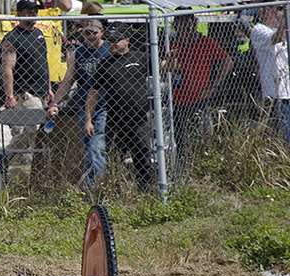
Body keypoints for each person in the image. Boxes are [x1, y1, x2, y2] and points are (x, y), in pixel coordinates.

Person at [85, 22, 155, 192]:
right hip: (116, 121)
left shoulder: (141, 58)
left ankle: (145, 191)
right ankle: (114, 192)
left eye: (116, 40)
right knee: (114, 158)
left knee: (143, 157)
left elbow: (162, 70)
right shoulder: (104, 64)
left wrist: (170, 64)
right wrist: (88, 120)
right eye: (109, 40)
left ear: (127, 41)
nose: (112, 44)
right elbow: (93, 93)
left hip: (139, 119)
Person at [48, 19, 110, 190]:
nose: (90, 36)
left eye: (94, 33)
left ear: (102, 32)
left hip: (107, 106)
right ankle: (96, 186)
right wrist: (55, 103)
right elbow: (68, 81)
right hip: (86, 108)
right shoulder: (78, 53)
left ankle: (95, 189)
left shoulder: (108, 50)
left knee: (95, 148)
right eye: (87, 33)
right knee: (90, 148)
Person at [162, 8, 233, 160]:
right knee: (181, 139)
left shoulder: (205, 42)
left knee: (202, 137)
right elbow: (163, 72)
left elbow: (227, 62)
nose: (186, 27)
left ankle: (201, 164)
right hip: (177, 100)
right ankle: (182, 164)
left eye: (189, 22)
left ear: (194, 24)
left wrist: (212, 86)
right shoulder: (172, 45)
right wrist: (170, 61)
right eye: (182, 23)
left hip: (200, 98)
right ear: (176, 26)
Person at [1, 0, 52, 171]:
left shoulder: (38, 33)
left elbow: (44, 62)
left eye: (35, 11)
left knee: (40, 130)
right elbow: (7, 67)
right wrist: (10, 96)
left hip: (42, 90)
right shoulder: (12, 38)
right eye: (29, 11)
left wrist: (49, 88)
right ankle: (11, 157)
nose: (33, 14)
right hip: (27, 91)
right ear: (20, 13)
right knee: (34, 129)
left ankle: (16, 160)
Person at [250, 4, 290, 142]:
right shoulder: (259, 30)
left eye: (282, 9)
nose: (281, 13)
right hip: (275, 96)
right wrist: (287, 13)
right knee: (283, 139)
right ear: (267, 10)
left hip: (287, 93)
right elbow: (277, 38)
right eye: (279, 8)